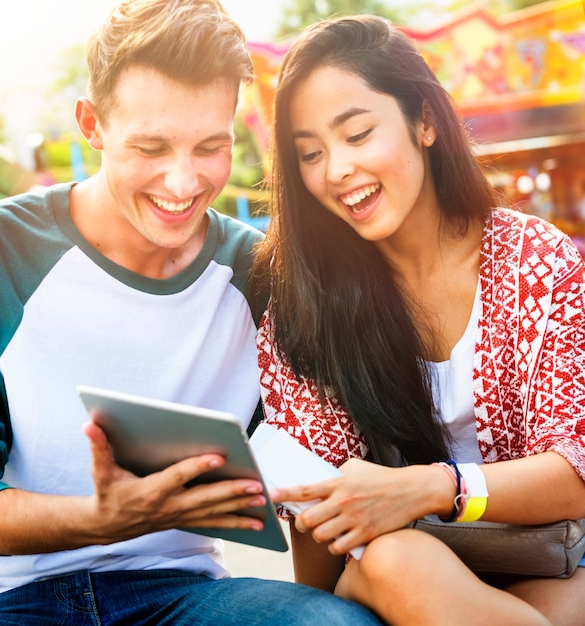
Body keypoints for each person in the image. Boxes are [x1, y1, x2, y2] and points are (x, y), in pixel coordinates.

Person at [0, 2, 383, 624]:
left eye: (211, 146)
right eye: (151, 147)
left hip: (182, 593)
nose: (182, 183)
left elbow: (312, 458)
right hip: (4, 601)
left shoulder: (262, 274)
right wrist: (96, 522)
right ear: (92, 124)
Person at [250, 14, 585, 626]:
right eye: (311, 153)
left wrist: (435, 487)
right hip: (393, 578)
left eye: (358, 134)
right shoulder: (307, 307)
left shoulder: (538, 265)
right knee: (398, 565)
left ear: (425, 121)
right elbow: (321, 513)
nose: (337, 170)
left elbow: (576, 467)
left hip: (549, 557)